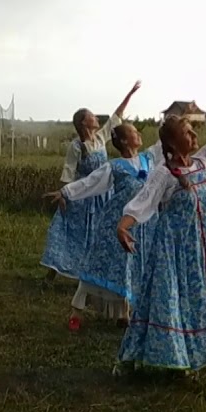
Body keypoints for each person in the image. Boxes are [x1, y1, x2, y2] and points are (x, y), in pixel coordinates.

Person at [115, 73, 206, 373]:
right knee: (173, 301)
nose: (195, 137)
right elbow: (143, 202)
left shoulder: (203, 162)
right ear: (174, 143)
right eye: (189, 133)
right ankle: (168, 357)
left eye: (193, 132)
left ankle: (198, 355)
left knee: (202, 301)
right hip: (176, 254)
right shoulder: (165, 174)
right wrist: (122, 227)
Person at [41, 81, 142, 331]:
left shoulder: (101, 138)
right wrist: (65, 193)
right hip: (84, 195)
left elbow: (117, 116)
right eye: (92, 117)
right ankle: (54, 272)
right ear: (83, 123)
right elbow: (70, 172)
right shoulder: (77, 147)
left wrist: (129, 94)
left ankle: (115, 305)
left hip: (105, 198)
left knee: (98, 239)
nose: (96, 118)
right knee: (70, 233)